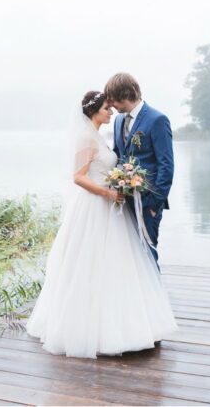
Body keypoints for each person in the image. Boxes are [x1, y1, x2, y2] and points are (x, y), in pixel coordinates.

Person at [25, 90, 178, 359]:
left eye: (111, 108)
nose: (111, 112)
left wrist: (124, 180)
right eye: (107, 108)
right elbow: (78, 177)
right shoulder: (86, 137)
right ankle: (89, 329)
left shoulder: (99, 136)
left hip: (112, 207)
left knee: (116, 264)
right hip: (96, 207)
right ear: (94, 111)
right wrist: (108, 192)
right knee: (91, 263)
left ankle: (125, 323)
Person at [105, 73, 174, 269]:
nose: (111, 106)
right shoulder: (119, 121)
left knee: (147, 254)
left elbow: (166, 165)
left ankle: (155, 298)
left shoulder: (157, 119)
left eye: (113, 100)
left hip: (147, 201)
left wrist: (154, 204)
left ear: (124, 95)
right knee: (129, 256)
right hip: (124, 201)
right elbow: (119, 155)